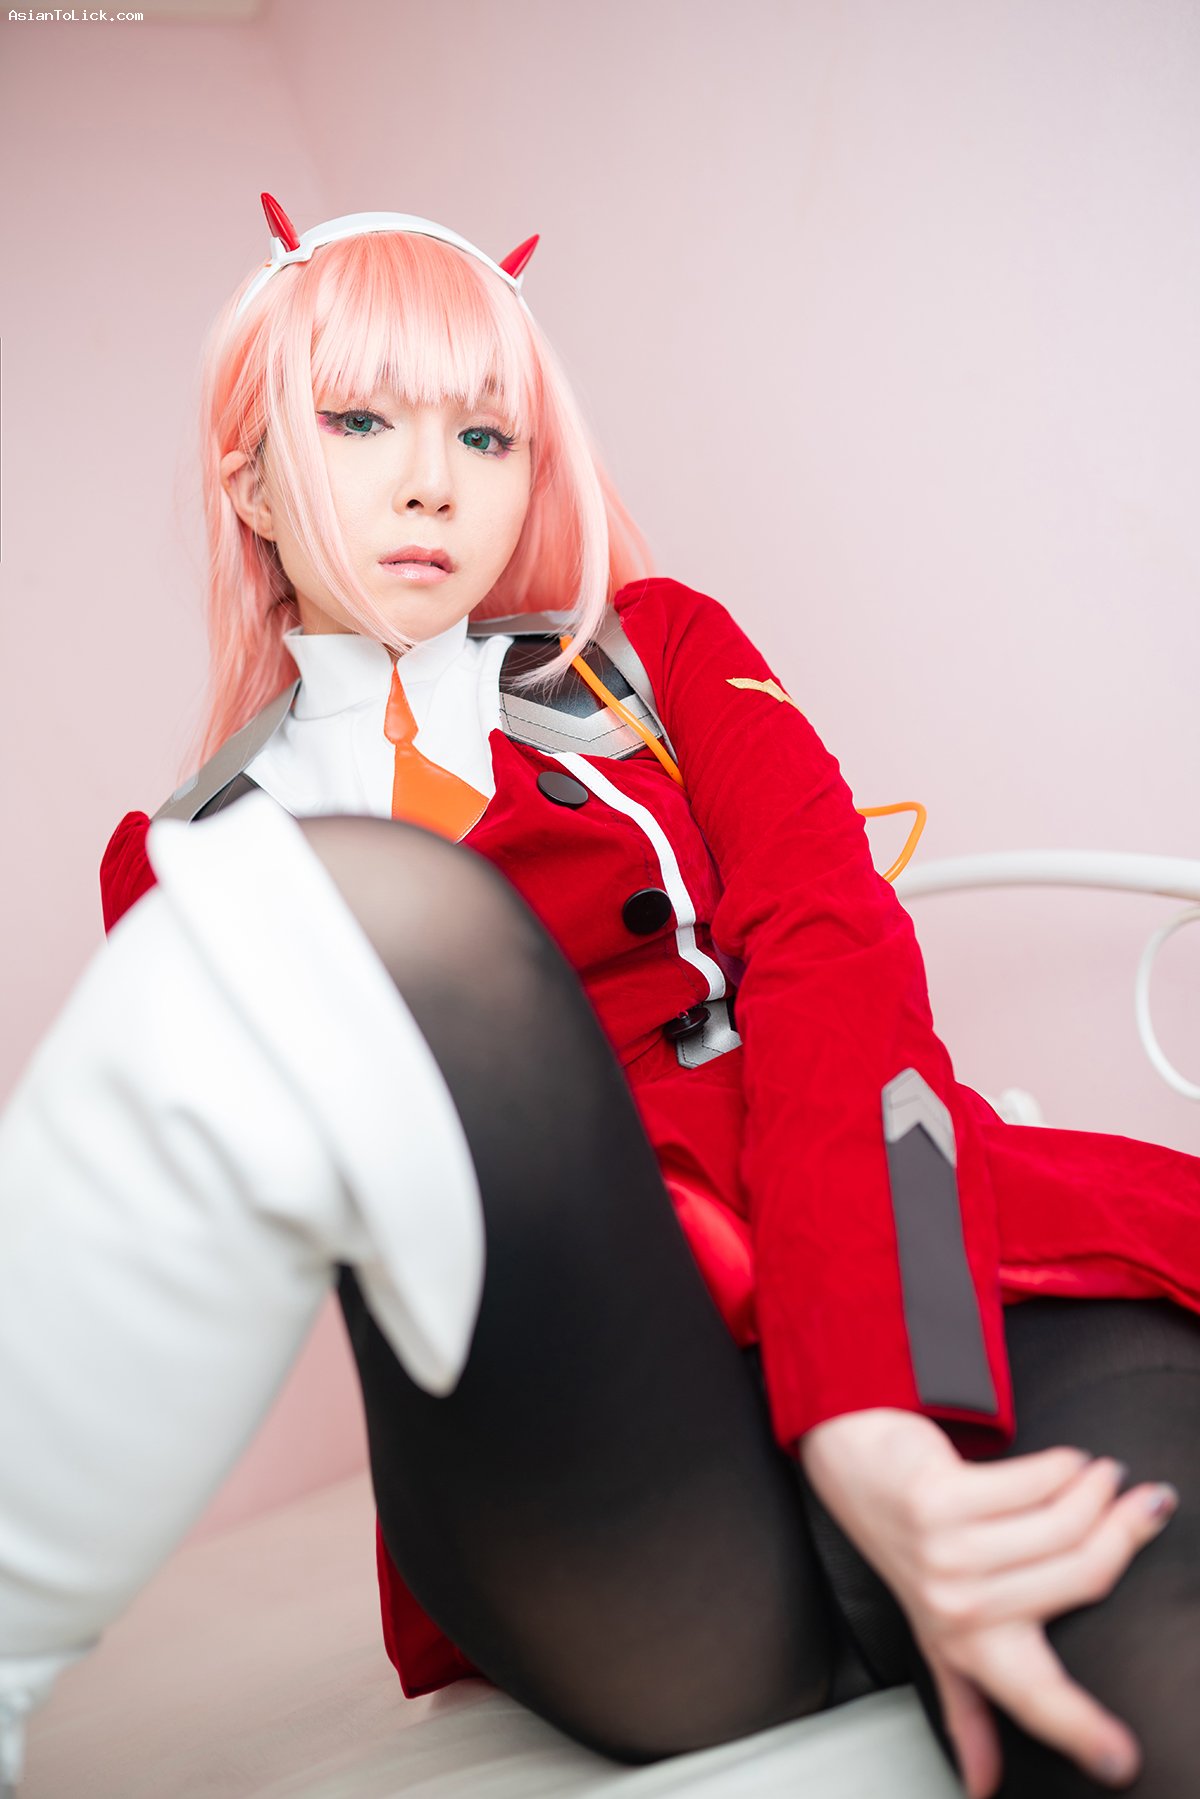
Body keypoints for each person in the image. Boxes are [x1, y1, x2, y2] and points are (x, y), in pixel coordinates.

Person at [2, 194, 1199, 1799]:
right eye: (358, 422)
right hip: (569, 1428)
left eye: (484, 435)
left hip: (895, 1269)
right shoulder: (186, 867)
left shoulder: (660, 657)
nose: (432, 481)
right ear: (252, 482)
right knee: (379, 914)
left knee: (1135, 1689)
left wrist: (872, 1400)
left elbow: (840, 976)